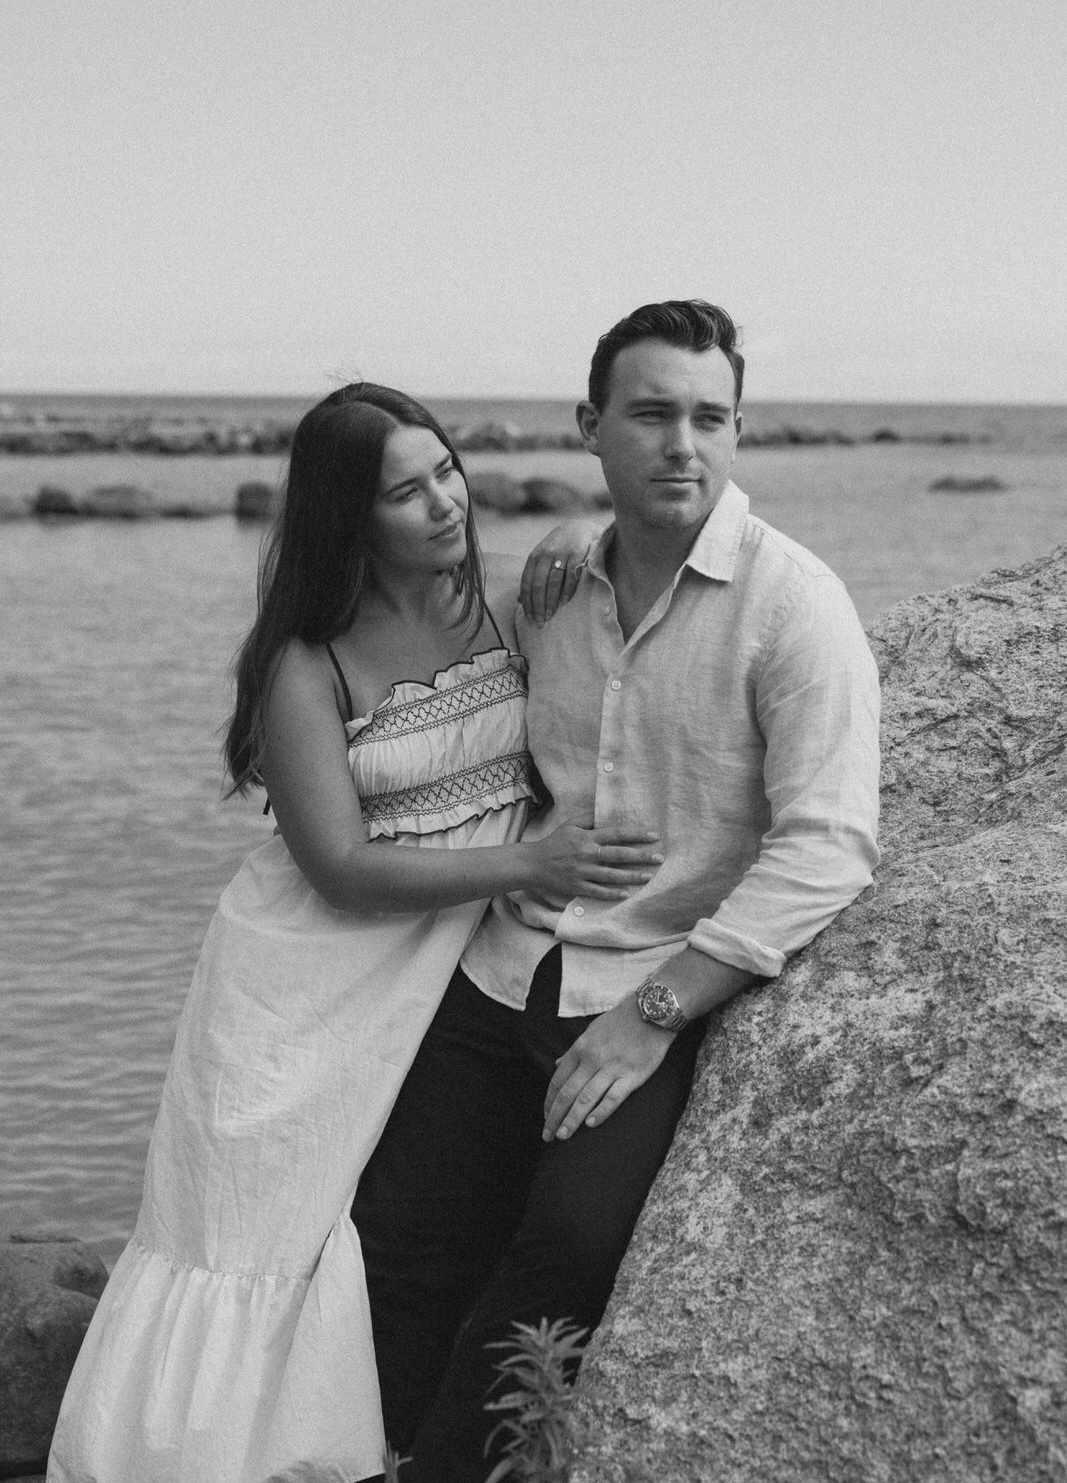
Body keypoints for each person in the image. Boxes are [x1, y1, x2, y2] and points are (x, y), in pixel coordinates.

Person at [47, 383, 662, 1483]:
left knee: (384, 1231)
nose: (442, 503)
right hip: (301, 981)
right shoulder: (306, 661)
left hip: (433, 973)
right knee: (257, 1228)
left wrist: (576, 527)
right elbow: (334, 866)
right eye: (403, 491)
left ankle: (348, 1450)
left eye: (445, 472)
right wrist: (529, 861)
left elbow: (619, 577)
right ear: (348, 514)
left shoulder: (508, 605)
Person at [352, 302, 882, 1480]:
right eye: (650, 414)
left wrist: (655, 1017)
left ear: (739, 430)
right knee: (391, 1240)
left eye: (709, 417)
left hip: (646, 985)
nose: (681, 445)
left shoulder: (793, 605)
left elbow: (829, 842)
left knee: (573, 1246)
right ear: (591, 427)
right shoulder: (554, 594)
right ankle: (362, 1453)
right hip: (501, 967)